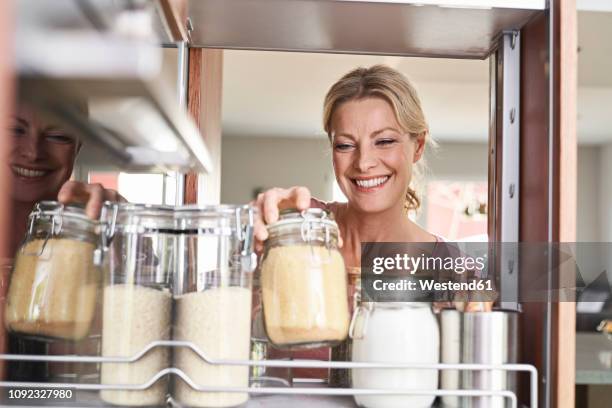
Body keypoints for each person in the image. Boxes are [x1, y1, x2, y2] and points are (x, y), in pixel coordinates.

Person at [254, 64, 436, 266]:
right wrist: (248, 227)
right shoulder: (300, 225)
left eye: (384, 142)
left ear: (418, 146)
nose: (363, 163)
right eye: (345, 145)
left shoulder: (452, 271)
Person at [8, 103, 124, 256]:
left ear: (78, 146)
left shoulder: (90, 230)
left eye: (57, 136)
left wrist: (126, 240)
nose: (33, 153)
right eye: (15, 130)